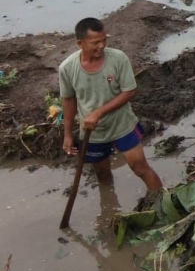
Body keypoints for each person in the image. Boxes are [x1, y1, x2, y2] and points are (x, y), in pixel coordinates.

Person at [59, 17, 162, 192]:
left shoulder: (118, 59)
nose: (101, 46)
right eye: (95, 42)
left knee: (140, 168)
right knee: (103, 175)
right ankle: (109, 208)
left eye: (104, 40)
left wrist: (98, 113)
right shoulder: (67, 68)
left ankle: (163, 202)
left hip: (122, 124)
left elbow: (129, 91)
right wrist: (67, 135)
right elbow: (69, 100)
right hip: (92, 132)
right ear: (80, 43)